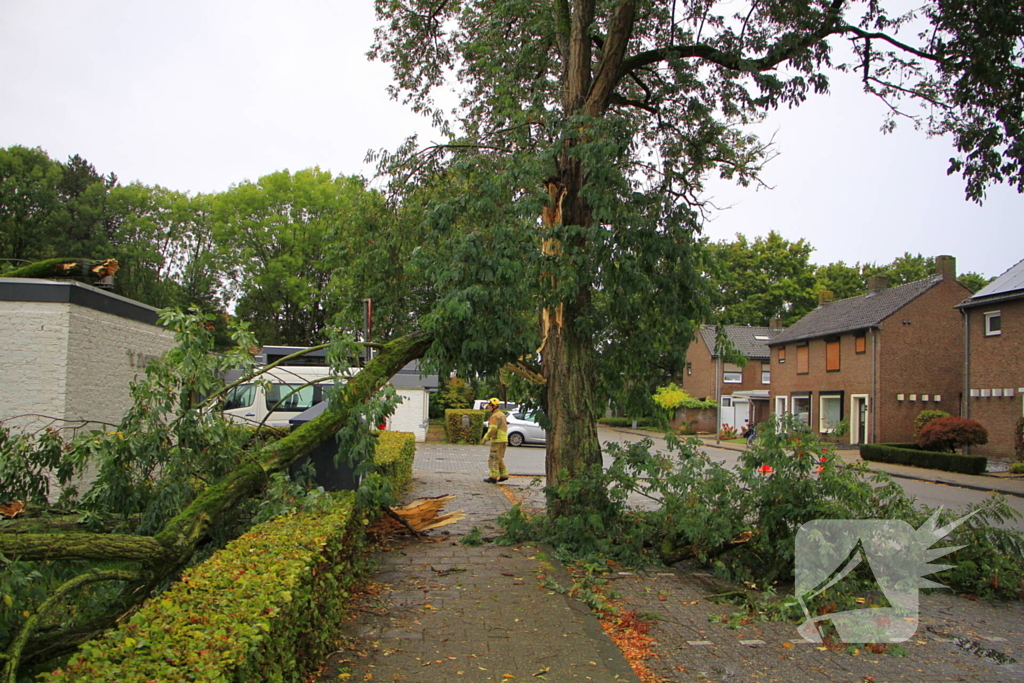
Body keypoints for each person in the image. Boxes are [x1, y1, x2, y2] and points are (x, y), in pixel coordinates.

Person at [480, 397, 509, 483]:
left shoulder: (495, 416)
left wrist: (485, 438)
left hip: (497, 440)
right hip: (503, 440)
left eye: (489, 406)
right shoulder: (501, 415)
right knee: (498, 458)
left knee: (493, 459)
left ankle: (493, 477)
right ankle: (504, 475)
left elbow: (492, 429)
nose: (488, 407)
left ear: (494, 406)